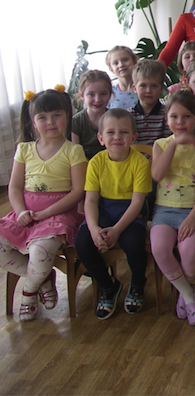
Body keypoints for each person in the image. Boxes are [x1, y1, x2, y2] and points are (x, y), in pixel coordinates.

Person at [0, 89, 87, 321]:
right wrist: (20, 212)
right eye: (43, 117)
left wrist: (46, 212)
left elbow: (78, 191)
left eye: (56, 115)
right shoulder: (24, 149)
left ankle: (29, 293)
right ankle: (44, 279)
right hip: (26, 214)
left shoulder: (74, 150)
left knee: (40, 252)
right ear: (33, 121)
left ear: (67, 116)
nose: (50, 122)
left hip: (58, 216)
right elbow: (14, 188)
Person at [74, 109, 151, 319]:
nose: (117, 137)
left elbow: (137, 203)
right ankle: (108, 285)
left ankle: (137, 282)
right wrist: (94, 228)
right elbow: (90, 200)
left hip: (130, 212)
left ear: (133, 138)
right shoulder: (95, 162)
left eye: (124, 132)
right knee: (83, 244)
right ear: (101, 138)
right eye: (110, 132)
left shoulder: (140, 162)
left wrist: (116, 230)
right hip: (103, 210)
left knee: (134, 244)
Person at [150, 90, 195, 326]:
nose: (180, 122)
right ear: (167, 119)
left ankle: (185, 290)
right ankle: (188, 293)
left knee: (190, 256)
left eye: (186, 116)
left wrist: (192, 218)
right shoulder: (160, 145)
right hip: (164, 212)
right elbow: (157, 175)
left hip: (193, 212)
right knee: (159, 249)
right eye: (174, 117)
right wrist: (174, 144)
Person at [71, 70, 112, 159]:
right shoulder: (76, 121)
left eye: (103, 94)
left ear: (110, 94)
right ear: (82, 96)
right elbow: (75, 153)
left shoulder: (115, 119)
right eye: (91, 94)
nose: (97, 99)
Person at [127, 60, 170, 145]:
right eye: (143, 86)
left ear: (161, 88)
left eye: (154, 86)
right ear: (135, 88)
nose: (148, 90)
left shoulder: (167, 114)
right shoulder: (128, 116)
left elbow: (167, 143)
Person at [105, 45, 139, 110]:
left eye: (125, 60)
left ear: (135, 61)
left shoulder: (143, 88)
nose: (121, 65)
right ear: (111, 69)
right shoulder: (110, 94)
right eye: (116, 63)